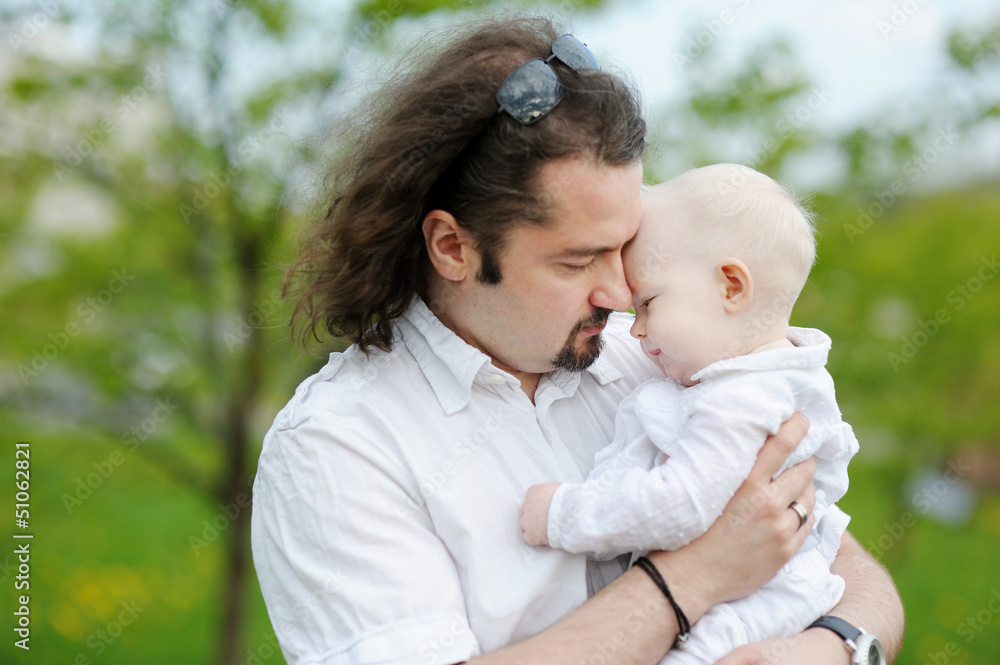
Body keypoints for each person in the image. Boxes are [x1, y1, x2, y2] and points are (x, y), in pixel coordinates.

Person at [250, 15, 903, 665]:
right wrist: (688, 580)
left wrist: (837, 647)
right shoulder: (338, 445)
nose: (621, 293)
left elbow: (844, 562)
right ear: (453, 246)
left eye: (625, 247)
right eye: (575, 261)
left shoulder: (656, 360)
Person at [520, 164, 860, 664]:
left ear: (731, 287)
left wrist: (562, 515)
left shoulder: (744, 399)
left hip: (756, 604)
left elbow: (681, 505)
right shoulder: (759, 374)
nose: (633, 330)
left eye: (649, 303)